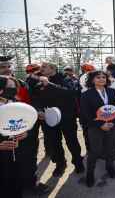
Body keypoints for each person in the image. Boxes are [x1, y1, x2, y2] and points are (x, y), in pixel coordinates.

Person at [0, 56, 49, 195]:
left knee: (28, 157)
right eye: (3, 67)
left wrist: (37, 111)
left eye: (9, 66)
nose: (7, 69)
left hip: (25, 129)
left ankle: (30, 182)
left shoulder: (21, 83)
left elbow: (32, 100)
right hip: (4, 136)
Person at [35, 62, 84, 177]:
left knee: (71, 141)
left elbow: (70, 93)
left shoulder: (66, 79)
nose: (41, 69)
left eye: (44, 67)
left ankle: (78, 162)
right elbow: (37, 98)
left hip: (66, 117)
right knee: (54, 142)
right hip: (49, 117)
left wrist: (49, 84)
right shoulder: (40, 82)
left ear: (53, 68)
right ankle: (60, 164)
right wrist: (39, 110)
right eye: (41, 67)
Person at [80, 70, 115, 187]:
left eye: (104, 77)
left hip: (112, 126)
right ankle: (90, 173)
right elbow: (85, 114)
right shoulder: (86, 94)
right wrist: (100, 125)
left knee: (110, 147)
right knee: (95, 151)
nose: (101, 79)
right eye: (98, 77)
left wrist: (112, 122)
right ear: (92, 80)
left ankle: (110, 166)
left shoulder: (112, 91)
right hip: (95, 127)